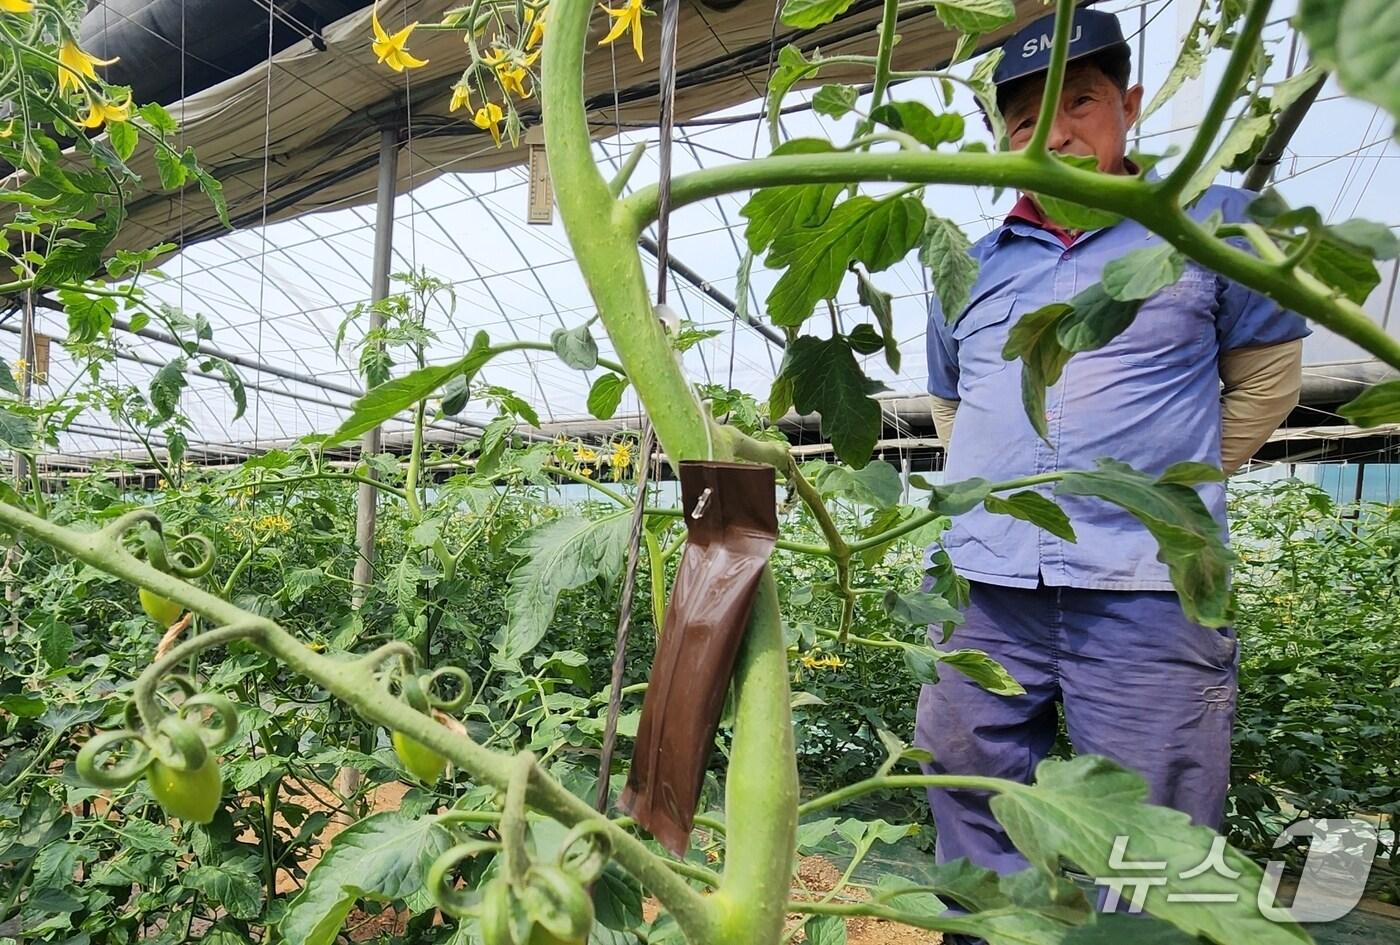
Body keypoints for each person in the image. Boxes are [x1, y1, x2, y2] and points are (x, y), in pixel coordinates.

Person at [918, 7, 1308, 939]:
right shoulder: (967, 268)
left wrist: (1160, 495)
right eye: (1021, 119)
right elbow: (950, 409)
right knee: (968, 794)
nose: (1050, 133)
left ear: (1129, 105)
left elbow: (1265, 383)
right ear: (998, 137)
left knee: (1153, 828)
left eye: (1080, 102)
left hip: (1146, 589)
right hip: (985, 588)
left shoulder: (1212, 224)